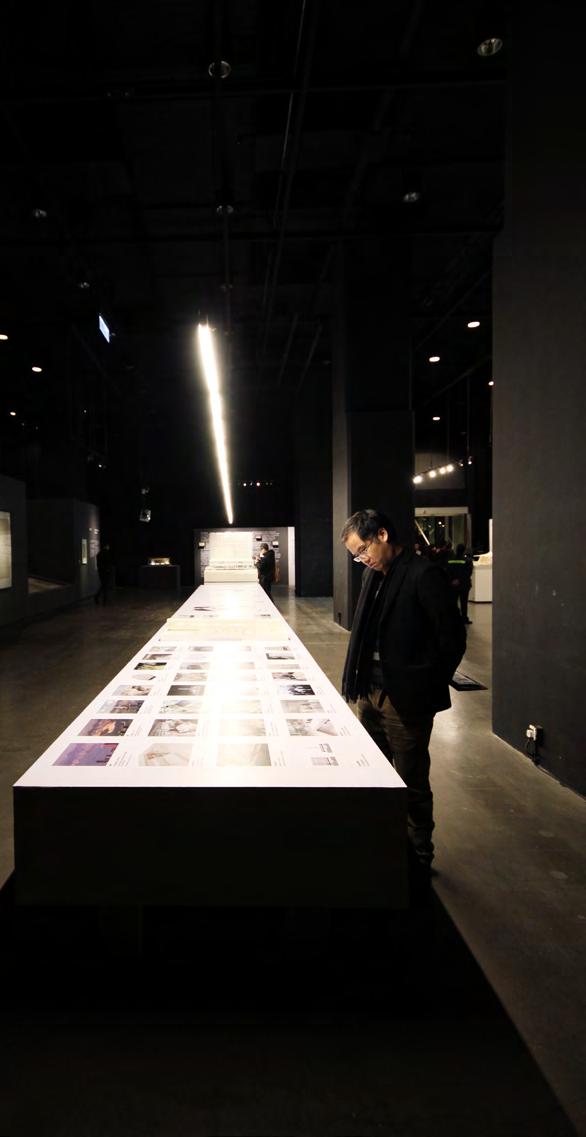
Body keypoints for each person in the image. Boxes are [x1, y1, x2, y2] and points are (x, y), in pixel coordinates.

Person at [340, 509, 466, 878]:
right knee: (374, 774)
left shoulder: (423, 574)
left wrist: (424, 684)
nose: (362, 559)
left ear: (382, 534)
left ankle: (419, 857)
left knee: (411, 782)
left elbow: (452, 639)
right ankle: (383, 845)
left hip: (405, 698)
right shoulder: (372, 576)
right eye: (356, 556)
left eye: (363, 549)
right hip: (370, 690)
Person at [447, 542, 473, 624]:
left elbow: (448, 571)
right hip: (464, 585)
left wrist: (452, 580)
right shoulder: (467, 561)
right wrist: (460, 580)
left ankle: (453, 618)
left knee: (453, 603)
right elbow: (468, 573)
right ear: (464, 551)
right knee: (464, 603)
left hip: (452, 585)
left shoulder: (450, 560)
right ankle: (464, 618)